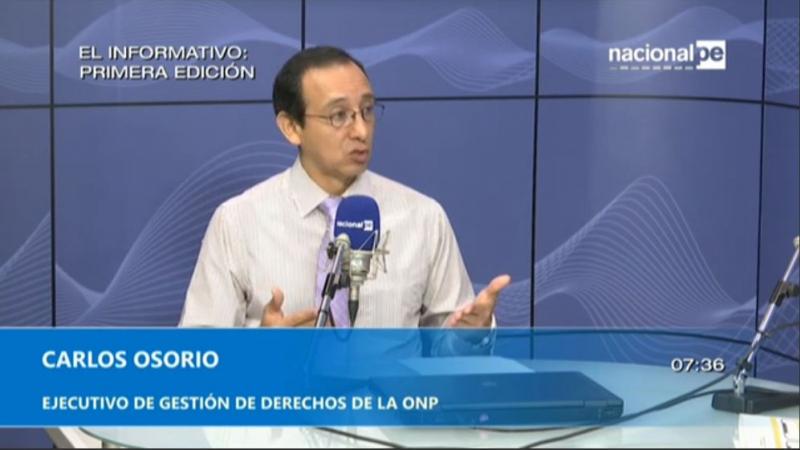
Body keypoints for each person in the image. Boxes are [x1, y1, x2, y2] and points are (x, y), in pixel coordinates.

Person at [179, 46, 510, 329]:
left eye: (367, 110)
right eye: (339, 116)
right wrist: (261, 351)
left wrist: (469, 337)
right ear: (291, 127)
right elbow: (197, 356)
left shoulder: (423, 217)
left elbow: (450, 350)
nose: (361, 131)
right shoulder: (238, 221)